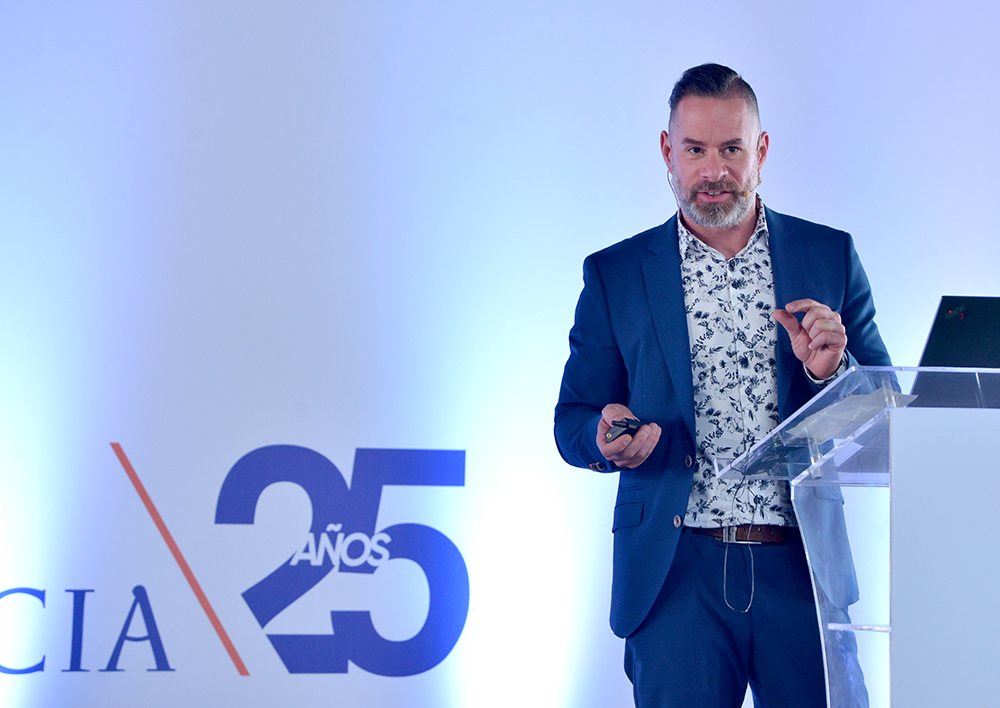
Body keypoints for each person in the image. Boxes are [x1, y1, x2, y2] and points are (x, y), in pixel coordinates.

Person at [554, 63, 891, 708]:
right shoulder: (616, 274)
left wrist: (831, 372)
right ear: (667, 151)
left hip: (802, 567)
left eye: (732, 149)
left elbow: (881, 410)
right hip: (675, 573)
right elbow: (573, 419)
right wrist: (603, 437)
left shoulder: (829, 254)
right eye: (696, 150)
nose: (714, 171)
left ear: (760, 150)